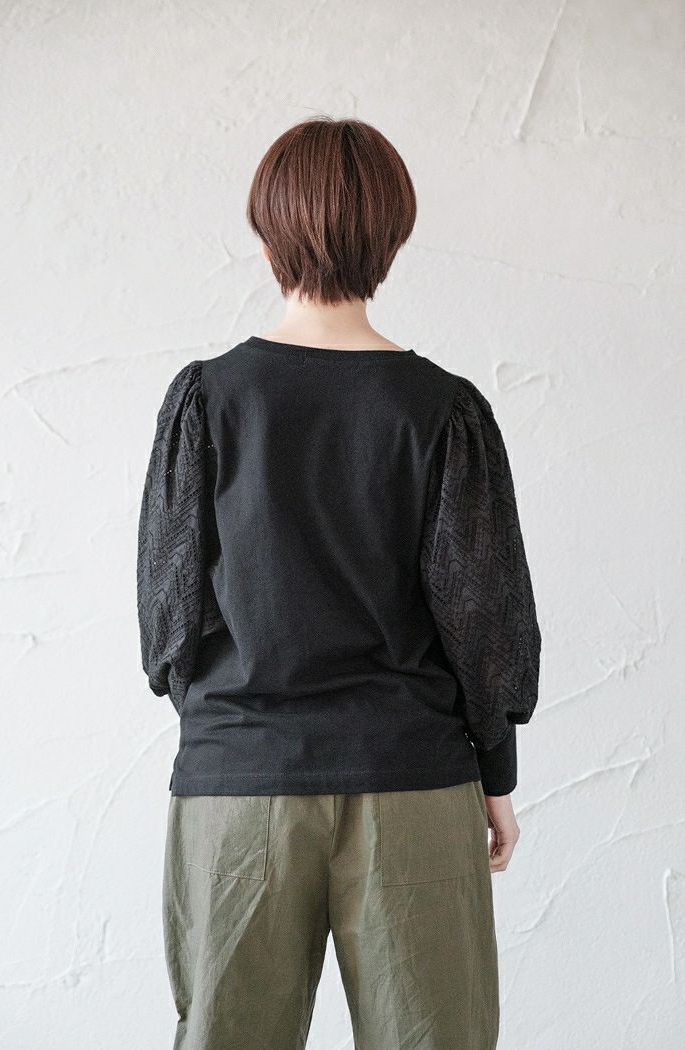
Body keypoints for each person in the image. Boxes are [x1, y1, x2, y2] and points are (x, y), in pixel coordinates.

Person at [136, 115, 541, 1050]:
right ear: (392, 235)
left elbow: (167, 626)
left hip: (238, 790)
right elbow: (486, 625)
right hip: (413, 787)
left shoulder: (206, 402)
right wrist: (497, 775)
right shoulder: (444, 411)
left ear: (266, 232)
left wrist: (240, 732)